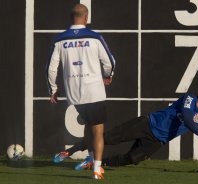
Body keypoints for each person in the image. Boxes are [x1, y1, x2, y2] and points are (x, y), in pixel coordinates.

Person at [54, 87, 198, 169]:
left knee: (132, 158)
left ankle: (94, 163)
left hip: (158, 140)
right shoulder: (189, 99)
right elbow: (188, 119)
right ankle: (70, 151)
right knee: (108, 138)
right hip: (147, 124)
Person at [46, 3, 115, 179]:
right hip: (94, 91)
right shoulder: (94, 37)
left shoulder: (60, 39)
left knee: (88, 125)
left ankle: (90, 159)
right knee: (98, 131)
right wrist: (108, 75)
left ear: (71, 18)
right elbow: (109, 61)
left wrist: (53, 89)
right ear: (86, 17)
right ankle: (97, 169)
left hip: (74, 95)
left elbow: (51, 69)